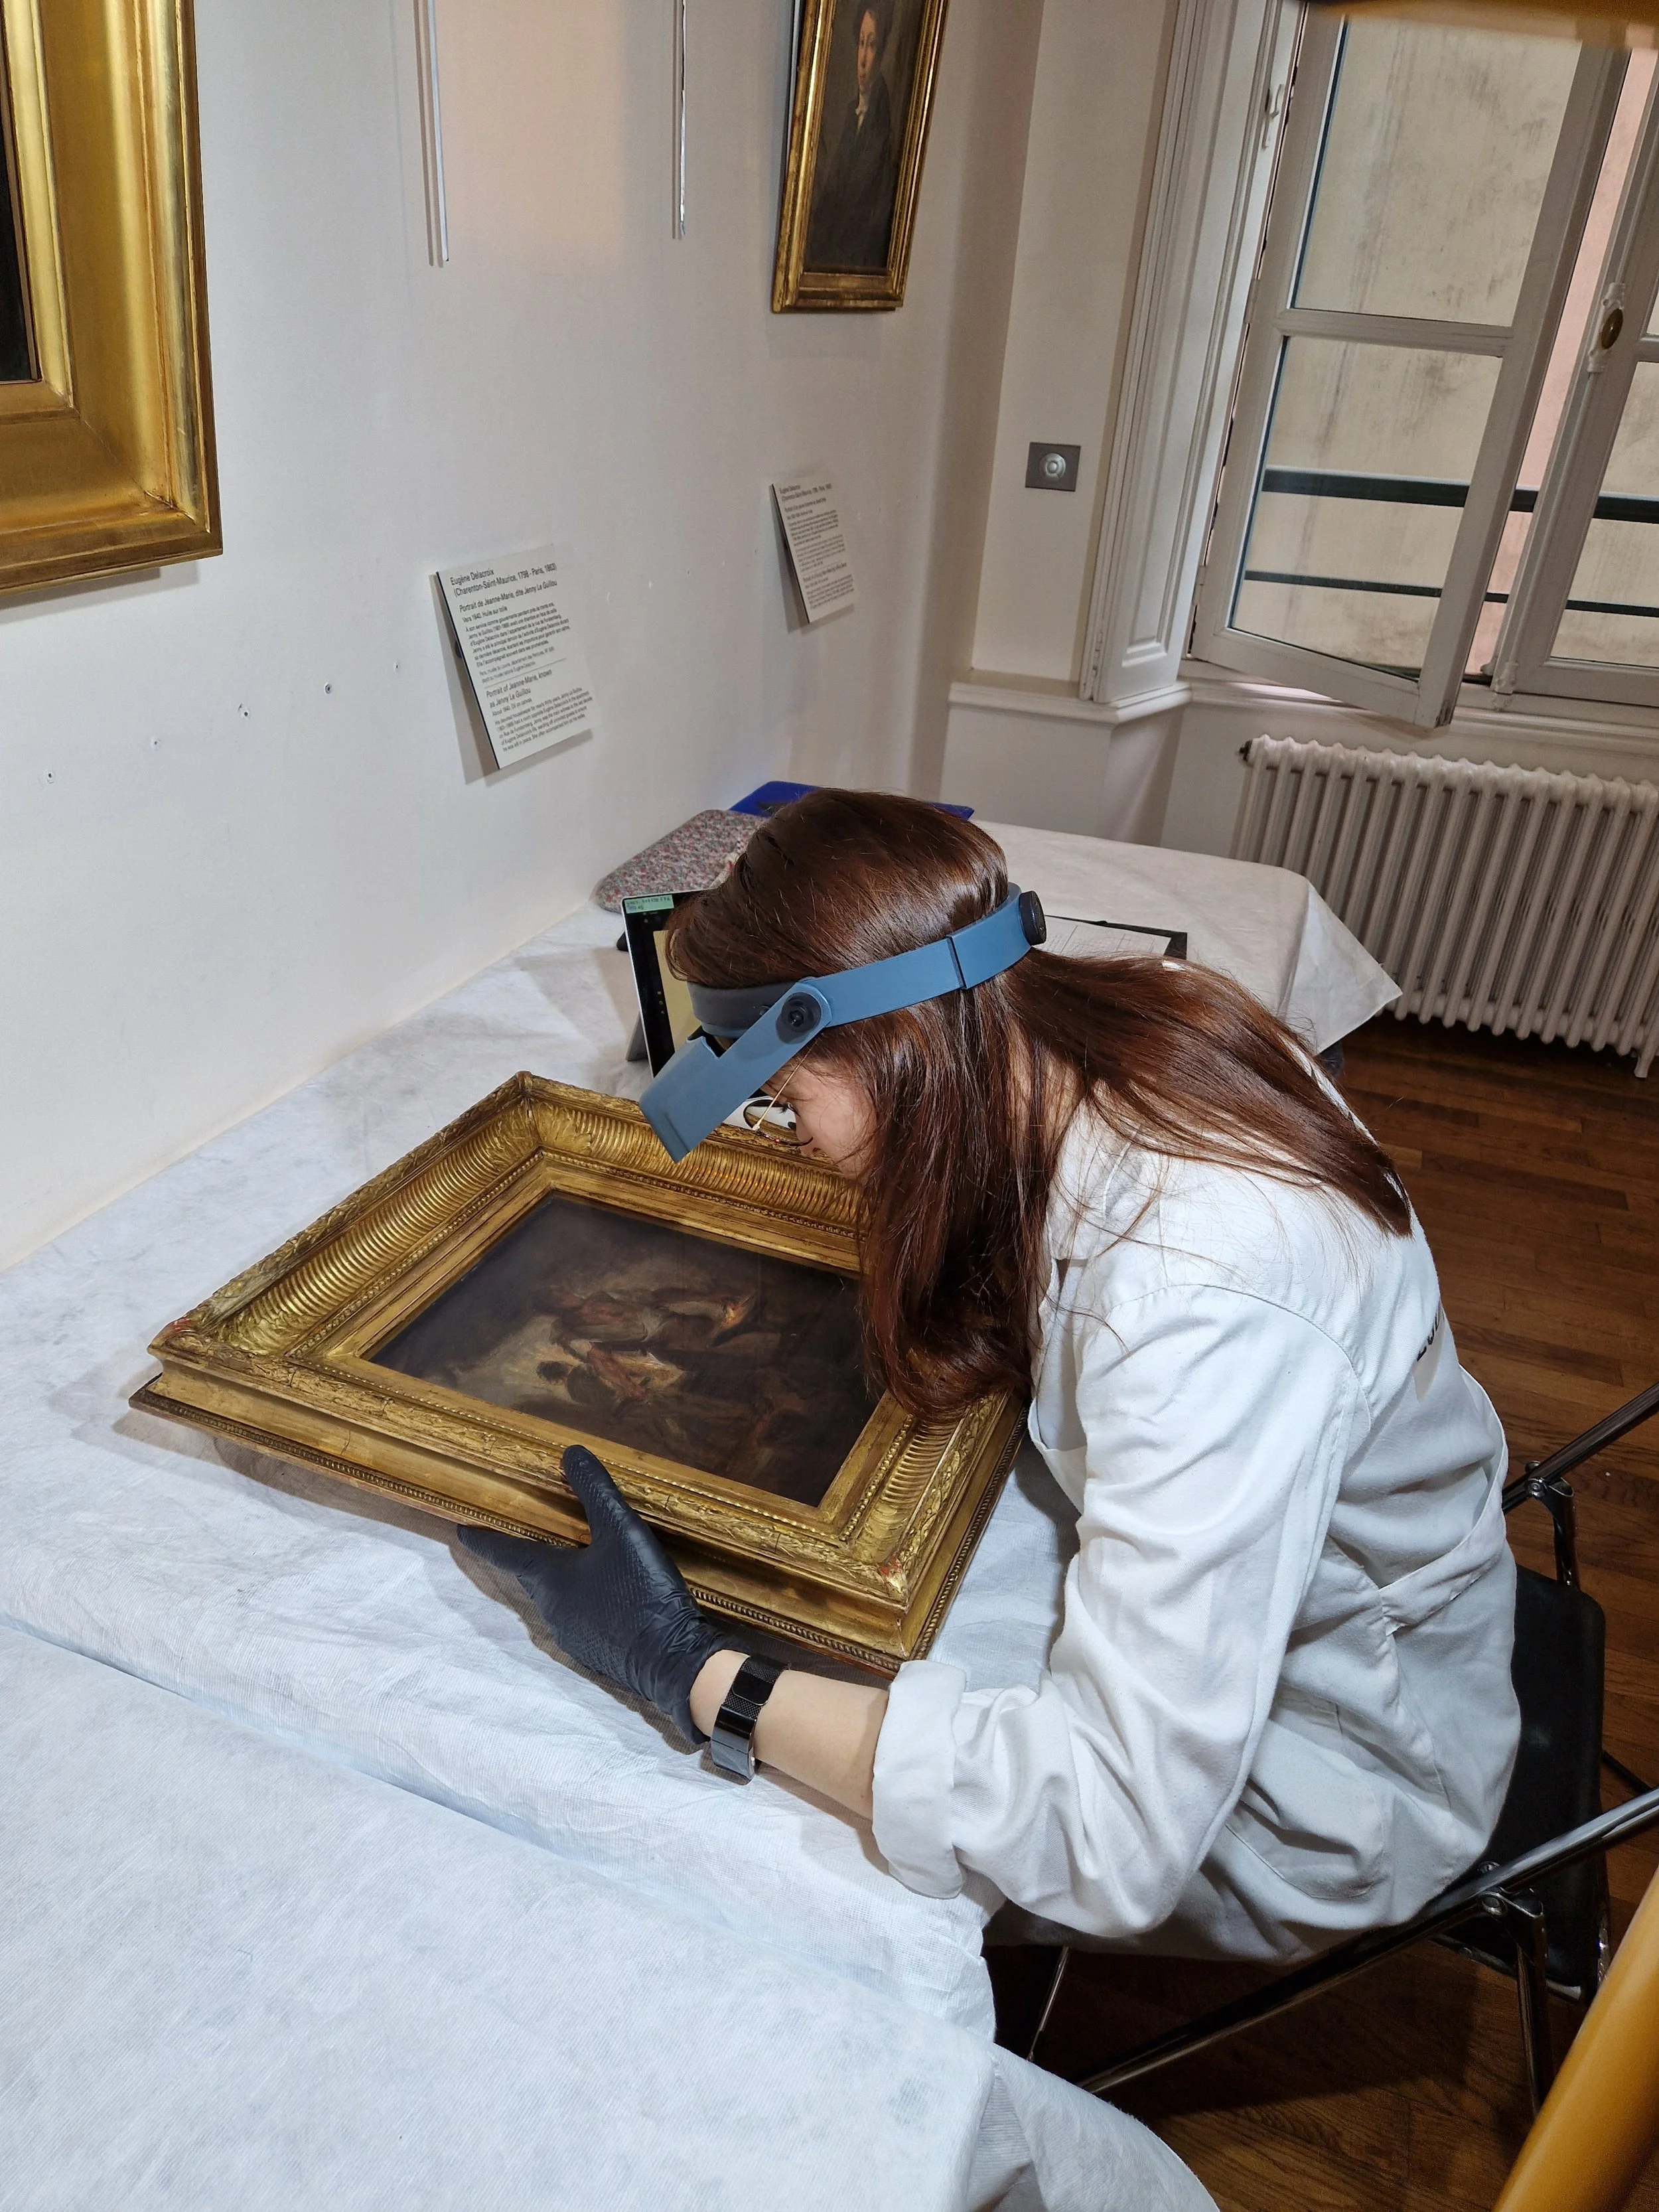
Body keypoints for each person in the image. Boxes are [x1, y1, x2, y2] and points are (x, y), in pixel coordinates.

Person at [461, 790, 1520, 1962]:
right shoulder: (1108, 1018)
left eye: (789, 1096)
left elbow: (1107, 1834)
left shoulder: (1200, 1291)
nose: (796, 1138)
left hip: (1335, 1768)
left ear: (887, 1049)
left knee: (764, 1888)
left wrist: (699, 1671)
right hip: (1280, 1618)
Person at [806, 6, 899, 271]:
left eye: (872, 45)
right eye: (861, 43)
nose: (863, 59)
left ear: (882, 52)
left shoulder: (884, 125)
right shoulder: (852, 115)